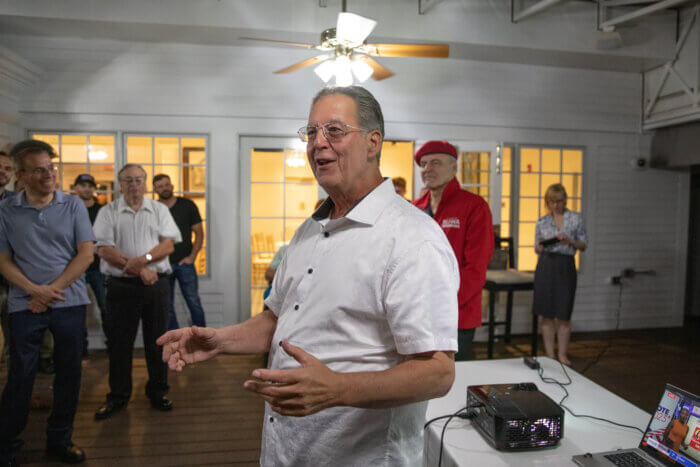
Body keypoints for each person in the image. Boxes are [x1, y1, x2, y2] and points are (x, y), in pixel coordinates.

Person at [158, 86, 459, 466]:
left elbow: (437, 372)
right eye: (311, 132)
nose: (318, 143)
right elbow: (278, 318)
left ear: (372, 142)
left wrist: (338, 389)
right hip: (289, 449)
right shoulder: (313, 228)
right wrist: (219, 340)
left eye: (334, 130)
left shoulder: (412, 239)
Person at [0, 139, 95, 465]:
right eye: (38, 170)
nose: (48, 175)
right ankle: (7, 445)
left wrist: (50, 290)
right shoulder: (6, 209)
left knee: (69, 373)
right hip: (23, 304)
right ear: (21, 176)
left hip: (69, 301)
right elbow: (3, 260)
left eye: (51, 168)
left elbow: (86, 254)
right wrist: (33, 291)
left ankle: (60, 439)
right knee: (21, 375)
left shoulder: (72, 206)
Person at [92, 164, 182, 420]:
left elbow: (167, 246)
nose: (133, 185)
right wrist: (138, 269)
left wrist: (142, 260)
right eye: (128, 180)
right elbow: (103, 249)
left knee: (158, 341)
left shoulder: (159, 209)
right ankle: (118, 397)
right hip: (120, 287)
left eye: (138, 180)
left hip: (157, 285)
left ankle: (158, 392)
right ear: (120, 184)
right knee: (120, 344)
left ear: (145, 183)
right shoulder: (107, 212)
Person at [413, 141, 494, 361]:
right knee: (419, 380)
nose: (428, 168)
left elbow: (475, 270)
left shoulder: (474, 207)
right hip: (418, 315)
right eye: (424, 164)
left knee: (455, 381)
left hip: (457, 316)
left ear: (454, 168)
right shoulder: (414, 208)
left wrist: (441, 304)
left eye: (436, 163)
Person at [533, 183, 586, 366]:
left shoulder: (575, 219)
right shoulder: (542, 221)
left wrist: (570, 240)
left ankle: (563, 354)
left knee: (564, 314)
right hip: (546, 265)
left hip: (566, 266)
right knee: (546, 314)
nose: (556, 205)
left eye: (559, 201)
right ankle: (550, 355)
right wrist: (541, 246)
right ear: (547, 203)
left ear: (565, 201)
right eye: (552, 201)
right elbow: (537, 247)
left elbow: (583, 244)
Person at [152, 174, 206, 330]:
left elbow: (199, 233)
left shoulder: (187, 205)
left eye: (167, 184)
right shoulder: (153, 209)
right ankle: (175, 342)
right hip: (162, 265)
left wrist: (192, 256)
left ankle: (202, 339)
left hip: (185, 264)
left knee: (193, 302)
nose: (164, 188)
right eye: (160, 186)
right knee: (166, 306)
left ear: (172, 186)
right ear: (155, 189)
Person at [73, 174, 107, 353]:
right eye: (83, 185)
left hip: (99, 267)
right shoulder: (70, 209)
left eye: (90, 185)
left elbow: (109, 235)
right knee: (78, 309)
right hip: (76, 267)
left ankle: (113, 345)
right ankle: (81, 347)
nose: (87, 189)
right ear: (76, 188)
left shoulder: (102, 210)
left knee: (105, 307)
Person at [0, 151, 15, 363]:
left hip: (13, 279)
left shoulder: (17, 202)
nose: (2, 172)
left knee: (16, 340)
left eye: (7, 168)